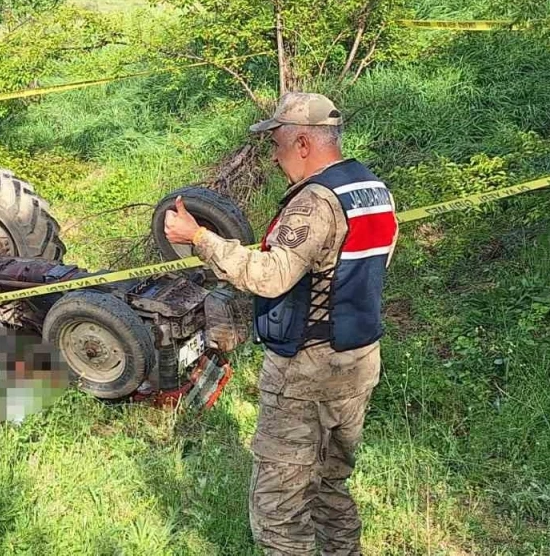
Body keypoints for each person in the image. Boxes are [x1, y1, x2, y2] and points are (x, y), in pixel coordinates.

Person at [164, 92, 398, 555]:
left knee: (279, 509)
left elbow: (271, 277)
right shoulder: (372, 188)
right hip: (358, 361)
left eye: (278, 145)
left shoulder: (315, 202)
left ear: (304, 143)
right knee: (330, 487)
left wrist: (199, 238)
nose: (274, 157)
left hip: (307, 371)